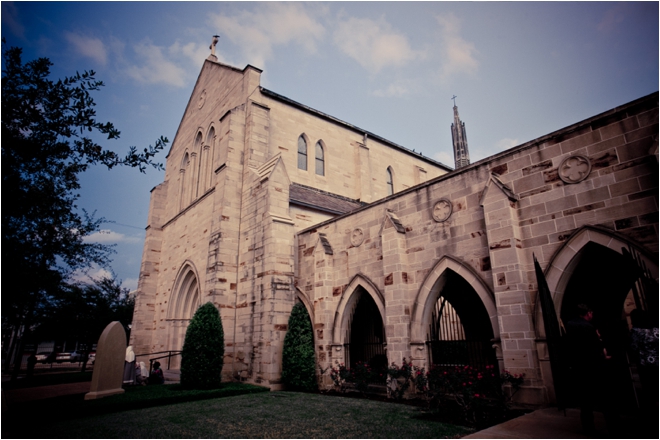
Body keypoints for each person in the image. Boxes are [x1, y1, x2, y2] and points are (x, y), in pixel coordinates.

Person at [565, 304, 619, 436]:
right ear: (588, 313)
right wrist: (603, 353)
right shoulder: (588, 327)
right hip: (594, 368)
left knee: (586, 402)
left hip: (580, 368)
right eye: (591, 313)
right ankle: (614, 429)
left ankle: (589, 429)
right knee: (606, 401)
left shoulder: (570, 325)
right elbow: (596, 347)